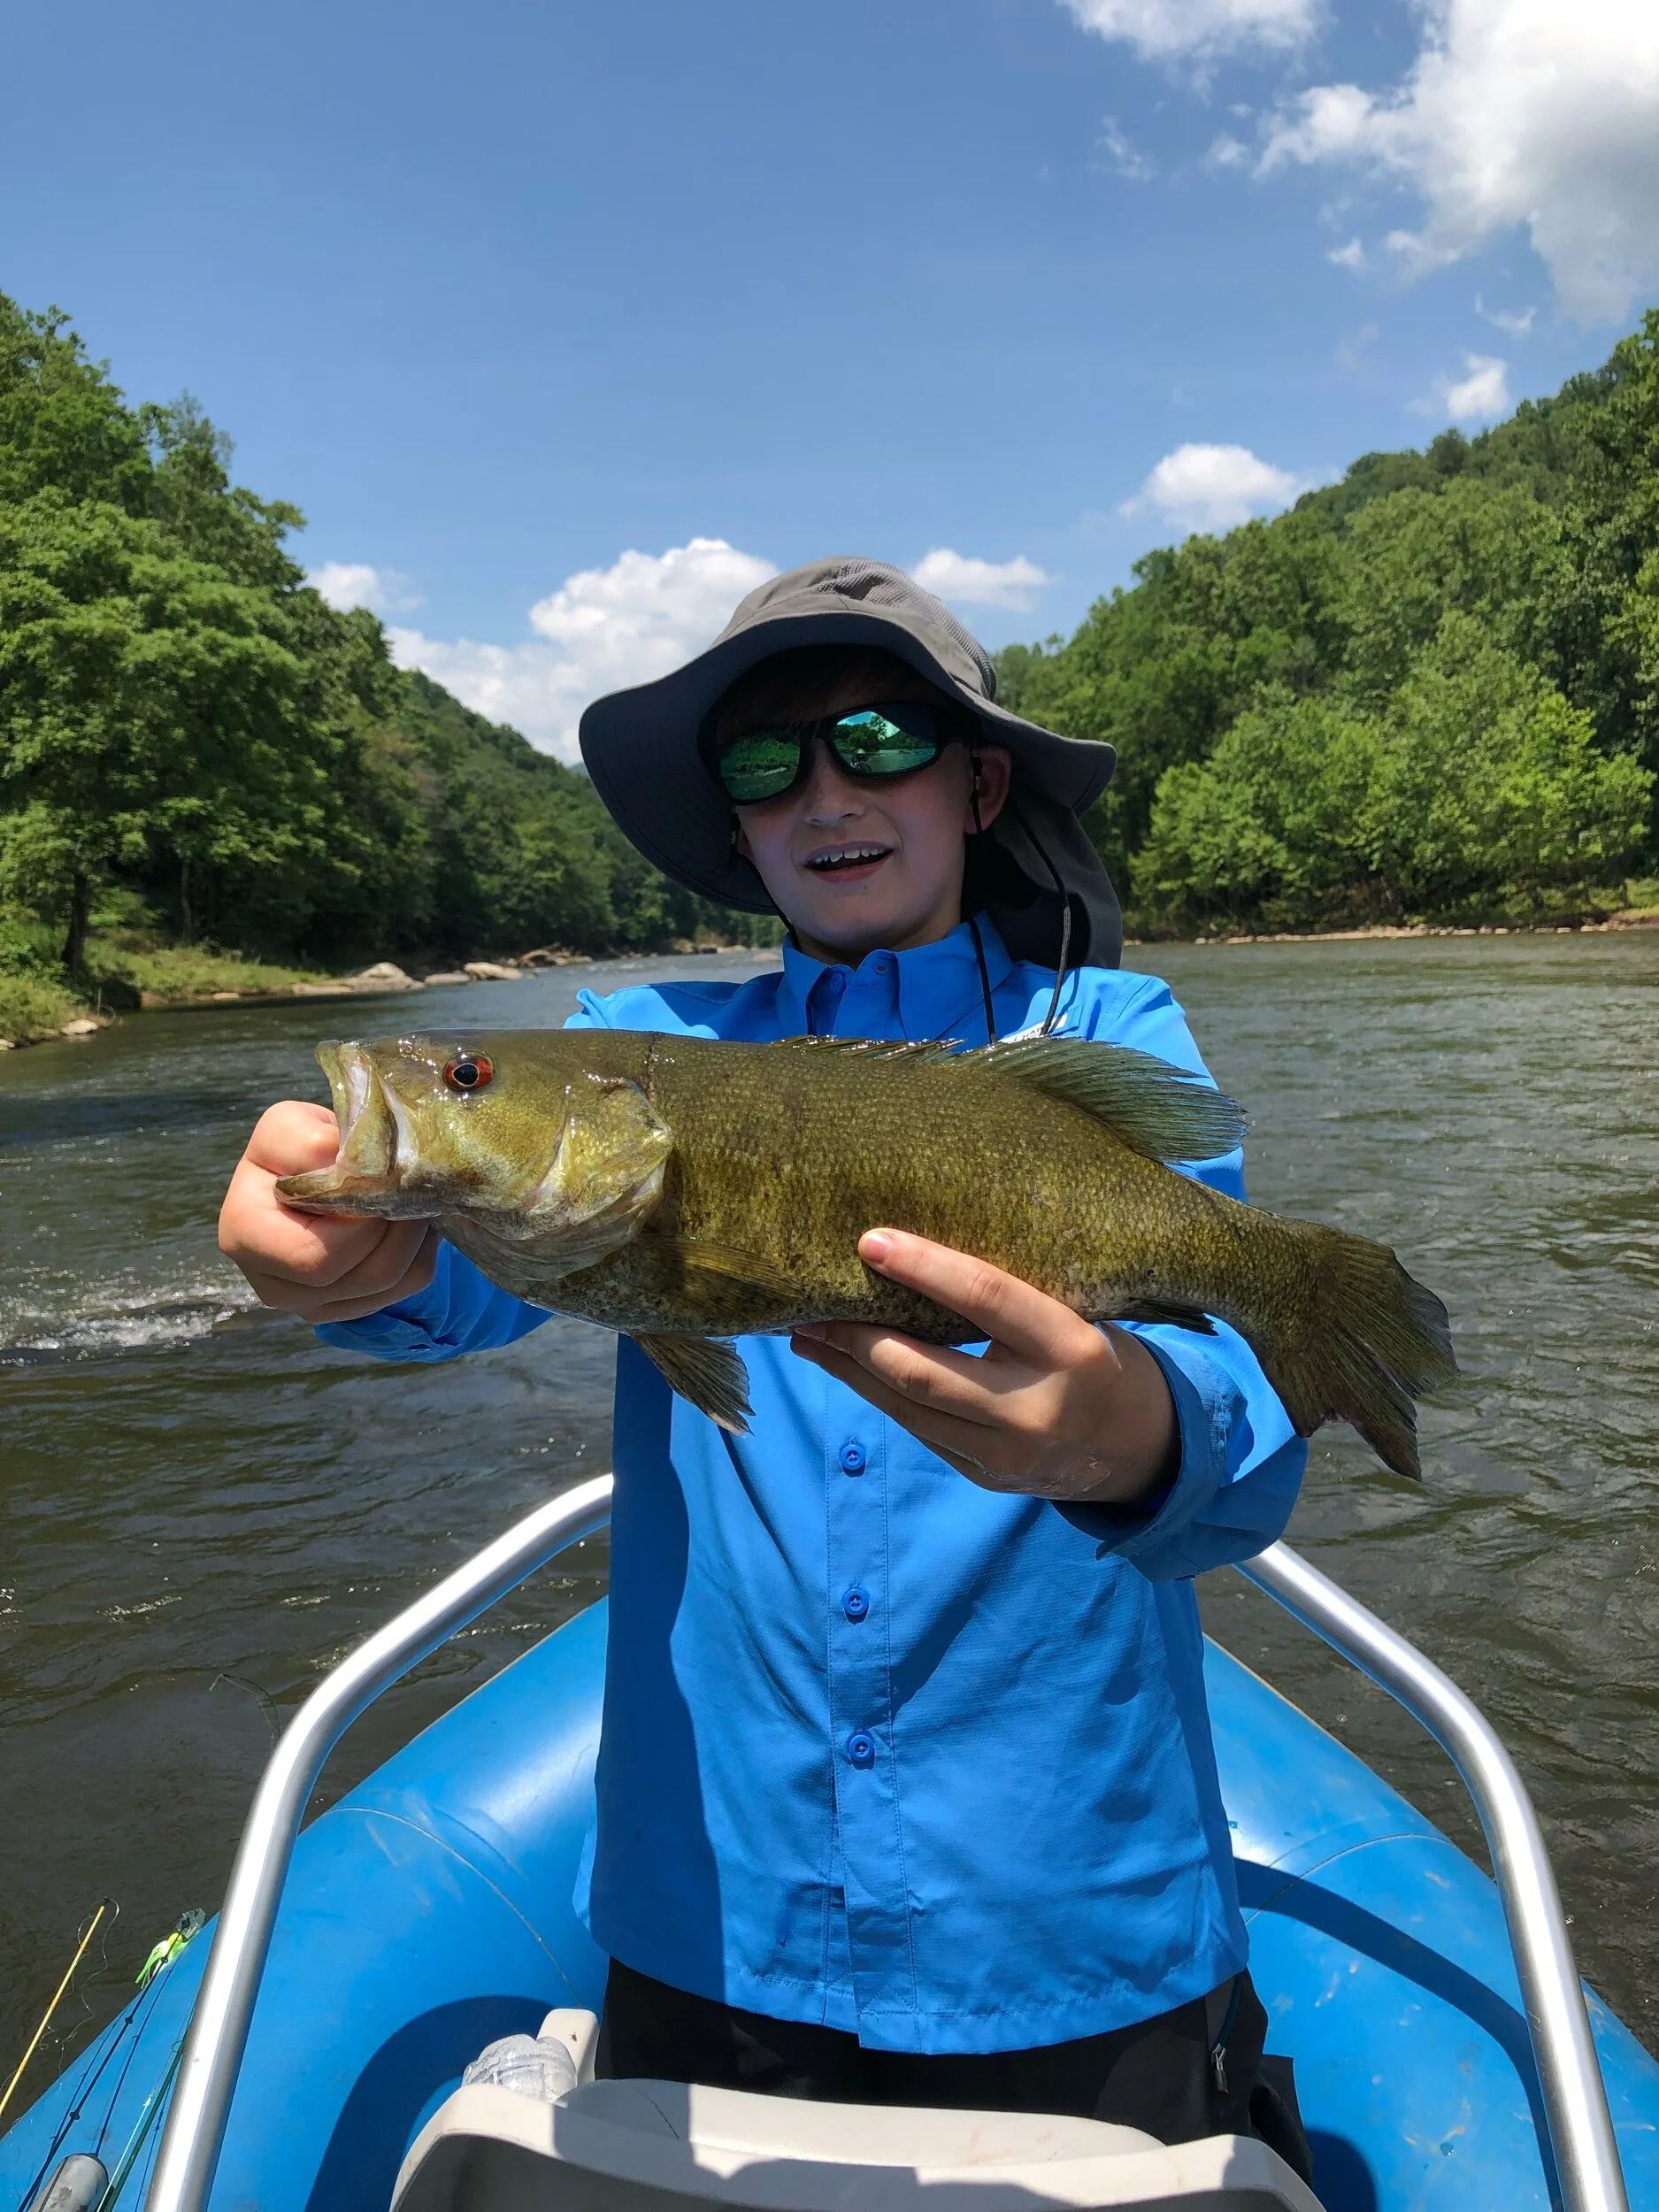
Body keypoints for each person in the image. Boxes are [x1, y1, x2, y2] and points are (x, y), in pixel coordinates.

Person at [219, 558, 1310, 2170]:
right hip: (715, 1909)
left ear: (975, 782)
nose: (823, 792)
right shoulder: (629, 1036)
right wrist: (341, 1268)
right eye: (763, 764)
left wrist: (1132, 1429)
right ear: (732, 828)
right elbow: (465, 1283)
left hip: (1065, 1911)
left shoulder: (1108, 1033)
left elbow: (1232, 1419)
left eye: (876, 739)